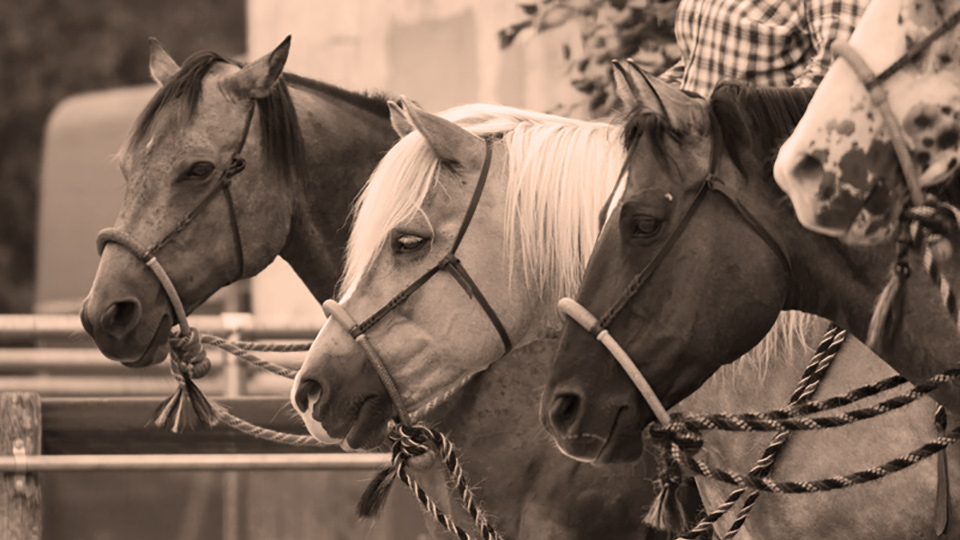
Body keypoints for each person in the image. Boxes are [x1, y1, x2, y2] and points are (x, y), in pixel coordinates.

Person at [659, 0, 868, 97]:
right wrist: (652, 93)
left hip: (755, 161)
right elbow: (699, 59)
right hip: (697, 148)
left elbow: (835, 71)